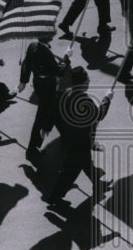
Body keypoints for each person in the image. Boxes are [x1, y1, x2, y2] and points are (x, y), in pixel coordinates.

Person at [46, 65, 112, 204]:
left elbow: (54, 111)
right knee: (70, 173)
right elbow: (98, 115)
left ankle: (99, 185)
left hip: (70, 137)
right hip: (80, 141)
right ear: (82, 82)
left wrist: (47, 126)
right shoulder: (84, 100)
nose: (89, 81)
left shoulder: (67, 93)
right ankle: (53, 198)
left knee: (86, 164)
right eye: (87, 79)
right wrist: (107, 99)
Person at [17, 34, 66, 164]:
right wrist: (66, 59)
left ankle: (63, 137)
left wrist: (23, 81)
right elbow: (58, 71)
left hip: (38, 84)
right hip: (48, 87)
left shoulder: (33, 46)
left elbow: (26, 65)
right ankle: (32, 148)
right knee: (45, 115)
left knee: (51, 111)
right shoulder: (46, 52)